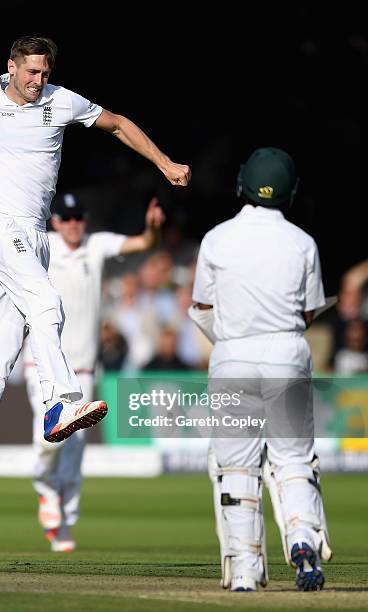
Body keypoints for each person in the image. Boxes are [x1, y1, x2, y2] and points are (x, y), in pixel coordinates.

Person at [0, 34, 190, 504]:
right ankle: (60, 402)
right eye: (31, 72)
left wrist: (163, 162)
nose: (38, 81)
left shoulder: (62, 101)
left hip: (37, 237)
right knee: (47, 302)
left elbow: (117, 124)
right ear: (11, 67)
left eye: (44, 73)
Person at [0, 187, 165, 551]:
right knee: (45, 439)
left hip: (85, 366)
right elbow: (0, 239)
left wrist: (153, 229)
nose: (74, 225)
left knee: (76, 449)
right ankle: (47, 492)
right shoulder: (40, 242)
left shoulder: (96, 246)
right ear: (55, 221)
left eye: (79, 218)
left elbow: (143, 243)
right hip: (42, 365)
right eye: (67, 219)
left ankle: (65, 522)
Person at [191, 148, 332, 592]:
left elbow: (202, 307)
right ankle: (303, 538)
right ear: (290, 191)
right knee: (292, 459)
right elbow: (309, 311)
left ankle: (247, 572)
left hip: (232, 357)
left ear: (242, 184)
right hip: (287, 354)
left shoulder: (216, 238)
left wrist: (234, 336)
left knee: (236, 469)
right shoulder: (302, 242)